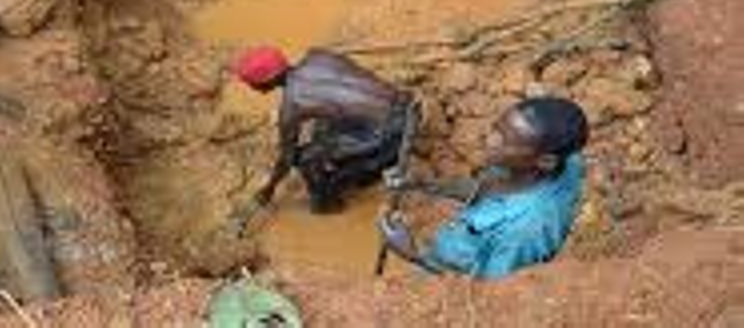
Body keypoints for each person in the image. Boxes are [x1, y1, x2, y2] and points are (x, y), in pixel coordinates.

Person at [378, 96, 588, 279]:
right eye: (496, 129)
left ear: (545, 162)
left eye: (504, 141)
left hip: (448, 283)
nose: (489, 141)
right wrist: (422, 184)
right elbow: (483, 190)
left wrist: (413, 255)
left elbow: (492, 294)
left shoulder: (524, 233)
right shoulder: (541, 162)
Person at [229, 46, 414, 232]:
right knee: (323, 128)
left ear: (265, 83)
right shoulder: (317, 55)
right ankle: (367, 169)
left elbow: (286, 157)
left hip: (394, 131)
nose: (251, 87)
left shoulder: (293, 104)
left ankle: (328, 205)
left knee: (305, 160)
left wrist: (268, 189)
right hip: (407, 104)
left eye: (251, 83)